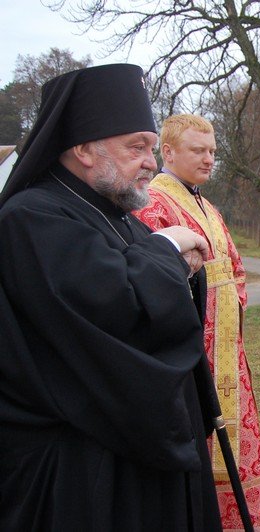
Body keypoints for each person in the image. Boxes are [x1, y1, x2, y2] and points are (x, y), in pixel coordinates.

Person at [0, 64, 222, 530]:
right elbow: (115, 308)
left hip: (130, 453)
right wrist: (167, 251)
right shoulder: (31, 217)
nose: (152, 162)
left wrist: (175, 266)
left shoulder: (116, 212)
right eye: (136, 147)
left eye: (151, 147)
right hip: (78, 467)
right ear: (83, 148)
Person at [135, 114, 260, 531]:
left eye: (213, 151)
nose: (209, 159)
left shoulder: (205, 204)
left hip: (227, 353)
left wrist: (231, 319)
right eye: (198, 150)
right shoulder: (154, 203)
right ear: (170, 151)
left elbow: (235, 270)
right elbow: (154, 283)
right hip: (194, 353)